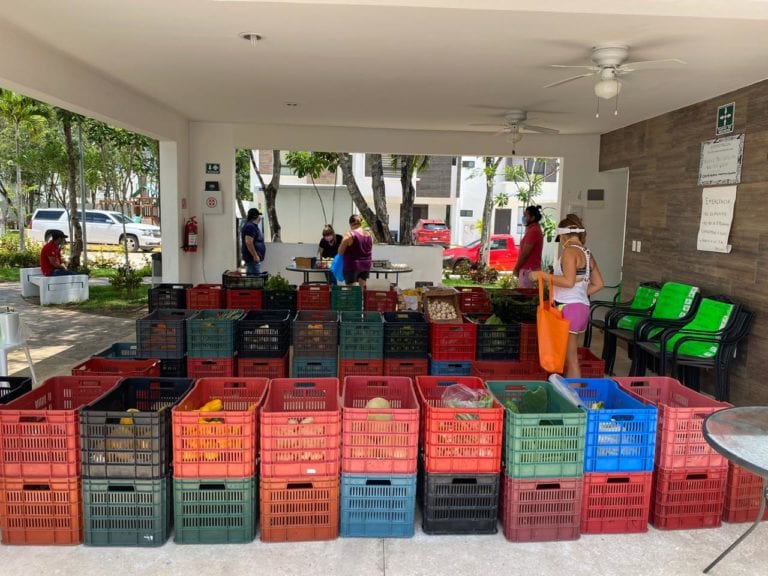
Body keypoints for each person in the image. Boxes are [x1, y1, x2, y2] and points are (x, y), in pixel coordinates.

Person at [531, 213, 604, 378]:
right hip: (581, 307)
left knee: (571, 359)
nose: (561, 242)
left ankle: (573, 398)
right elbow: (599, 283)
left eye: (560, 238)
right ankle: (568, 393)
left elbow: (568, 282)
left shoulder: (569, 252)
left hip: (568, 309)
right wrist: (577, 294)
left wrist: (541, 275)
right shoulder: (587, 253)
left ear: (564, 235)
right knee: (567, 356)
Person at [513, 205, 544, 289]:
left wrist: (516, 268)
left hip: (528, 270)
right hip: (530, 270)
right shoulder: (533, 229)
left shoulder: (533, 231)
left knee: (525, 297)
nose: (523, 218)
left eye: (526, 215)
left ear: (532, 217)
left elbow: (526, 253)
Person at [338, 214, 373, 288]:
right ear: (360, 223)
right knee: (362, 289)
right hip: (366, 265)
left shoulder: (350, 235)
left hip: (352, 266)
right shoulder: (369, 235)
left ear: (350, 224)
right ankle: (361, 299)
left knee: (351, 291)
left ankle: (353, 299)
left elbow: (340, 251)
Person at [241, 207, 265, 274]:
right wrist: (255, 255)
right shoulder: (250, 227)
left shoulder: (252, 226)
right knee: (255, 281)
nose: (259, 217)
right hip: (252, 260)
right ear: (255, 216)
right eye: (258, 215)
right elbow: (248, 242)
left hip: (253, 260)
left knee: (255, 280)